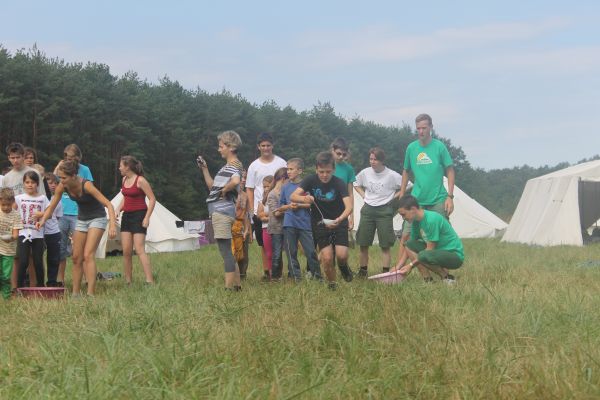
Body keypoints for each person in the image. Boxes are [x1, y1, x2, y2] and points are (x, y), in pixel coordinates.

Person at [37, 160, 117, 296]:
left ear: (73, 176)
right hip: (82, 219)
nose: (61, 181)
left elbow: (108, 204)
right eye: (60, 178)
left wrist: (113, 225)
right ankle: (75, 293)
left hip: (97, 218)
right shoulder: (63, 186)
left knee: (87, 255)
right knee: (76, 257)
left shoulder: (87, 185)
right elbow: (51, 207)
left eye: (63, 178)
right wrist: (42, 220)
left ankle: (90, 293)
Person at [397, 114, 455, 280]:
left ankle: (445, 276)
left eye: (424, 128)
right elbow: (406, 171)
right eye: (418, 128)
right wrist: (402, 193)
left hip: (438, 199)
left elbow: (450, 170)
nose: (421, 131)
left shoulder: (439, 147)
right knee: (406, 236)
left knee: (439, 237)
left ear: (431, 128)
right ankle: (413, 274)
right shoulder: (411, 148)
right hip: (417, 200)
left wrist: (450, 196)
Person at [290, 152, 353, 290]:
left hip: (339, 220)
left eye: (328, 172)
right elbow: (293, 196)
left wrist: (341, 219)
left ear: (333, 170)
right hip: (320, 223)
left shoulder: (339, 183)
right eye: (321, 172)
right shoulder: (310, 180)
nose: (324, 175)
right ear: (316, 169)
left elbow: (349, 206)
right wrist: (304, 199)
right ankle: (332, 285)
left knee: (341, 255)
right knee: (327, 258)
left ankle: (344, 267)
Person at [198, 130, 243, 291]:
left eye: (221, 146)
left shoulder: (234, 165)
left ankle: (228, 288)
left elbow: (236, 180)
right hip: (221, 211)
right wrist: (205, 169)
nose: (219, 149)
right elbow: (212, 188)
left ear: (231, 147)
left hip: (222, 212)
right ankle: (237, 286)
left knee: (225, 251)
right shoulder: (227, 167)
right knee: (227, 251)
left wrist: (225, 189)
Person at [353, 147, 403, 277]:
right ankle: (363, 271)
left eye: (375, 159)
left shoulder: (392, 175)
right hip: (368, 209)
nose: (372, 162)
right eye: (371, 159)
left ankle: (385, 273)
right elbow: (355, 183)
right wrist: (364, 195)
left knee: (385, 245)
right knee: (363, 243)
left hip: (384, 210)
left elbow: (407, 185)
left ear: (382, 160)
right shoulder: (365, 172)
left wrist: (393, 197)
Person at [394, 195, 464, 283]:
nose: (403, 218)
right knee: (409, 243)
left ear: (413, 209)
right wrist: (398, 267)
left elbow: (429, 249)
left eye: (403, 214)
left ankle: (447, 277)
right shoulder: (415, 222)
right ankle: (428, 280)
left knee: (423, 255)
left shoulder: (431, 219)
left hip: (454, 256)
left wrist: (410, 266)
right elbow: (409, 246)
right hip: (437, 253)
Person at [246, 133, 287, 278]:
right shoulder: (254, 166)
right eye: (263, 145)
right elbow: (249, 189)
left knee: (278, 243)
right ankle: (266, 272)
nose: (266, 148)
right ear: (258, 147)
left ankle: (278, 272)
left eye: (268, 145)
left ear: (272, 145)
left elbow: (287, 184)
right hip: (260, 209)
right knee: (263, 244)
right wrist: (252, 211)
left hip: (278, 208)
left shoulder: (281, 163)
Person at [54, 144, 94, 286]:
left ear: (78, 157)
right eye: (66, 157)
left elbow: (90, 189)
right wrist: (59, 166)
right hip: (62, 213)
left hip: (79, 213)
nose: (69, 160)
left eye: (72, 157)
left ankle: (85, 279)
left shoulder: (85, 170)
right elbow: (54, 181)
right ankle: (60, 279)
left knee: (79, 249)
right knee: (61, 248)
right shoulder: (62, 169)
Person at [114, 156, 156, 285]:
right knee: (126, 251)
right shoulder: (124, 179)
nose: (119, 168)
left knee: (139, 249)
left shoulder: (140, 181)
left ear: (127, 167)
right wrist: (117, 209)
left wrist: (146, 218)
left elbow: (152, 199)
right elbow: (125, 197)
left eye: (121, 165)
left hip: (139, 215)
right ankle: (128, 281)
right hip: (127, 216)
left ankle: (149, 280)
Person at [280, 158, 322, 282]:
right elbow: (281, 205)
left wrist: (299, 205)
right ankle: (296, 278)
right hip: (289, 223)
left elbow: (311, 204)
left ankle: (318, 277)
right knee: (291, 252)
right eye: (287, 169)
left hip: (305, 223)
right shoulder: (285, 187)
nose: (288, 172)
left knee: (311, 252)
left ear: (300, 171)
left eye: (291, 169)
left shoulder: (306, 186)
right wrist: (289, 206)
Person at [15, 172, 49, 287]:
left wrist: (42, 213)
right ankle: (19, 287)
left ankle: (41, 286)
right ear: (23, 184)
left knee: (38, 262)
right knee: (23, 261)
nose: (30, 185)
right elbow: (9, 211)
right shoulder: (18, 198)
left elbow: (50, 213)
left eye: (33, 182)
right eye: (27, 182)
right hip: (23, 234)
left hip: (38, 234)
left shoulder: (43, 198)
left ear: (37, 184)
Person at [266, 167, 288, 281]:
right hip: (276, 228)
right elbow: (277, 213)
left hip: (287, 226)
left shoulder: (286, 193)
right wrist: (289, 208)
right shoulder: (272, 195)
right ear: (284, 179)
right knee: (277, 253)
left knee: (289, 252)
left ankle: (285, 274)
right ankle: (275, 276)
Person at [0, 188, 22, 298]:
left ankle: (6, 296)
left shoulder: (16, 215)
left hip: (9, 250)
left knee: (5, 276)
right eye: (3, 205)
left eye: (8, 205)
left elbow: (16, 233)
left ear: (13, 201)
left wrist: (11, 238)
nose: (6, 207)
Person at [331, 137, 356, 232]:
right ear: (332, 150)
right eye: (338, 153)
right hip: (325, 206)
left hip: (342, 209)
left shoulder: (349, 169)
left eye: (344, 154)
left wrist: (351, 216)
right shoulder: (325, 165)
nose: (341, 156)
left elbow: (350, 194)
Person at [43, 173, 63, 286]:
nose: (53, 185)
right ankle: (37, 282)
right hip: (40, 231)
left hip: (54, 231)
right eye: (50, 183)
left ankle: (51, 282)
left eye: (56, 183)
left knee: (54, 259)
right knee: (37, 259)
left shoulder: (58, 199)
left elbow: (58, 217)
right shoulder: (40, 197)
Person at [231, 170, 251, 279]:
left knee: (244, 254)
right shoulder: (228, 193)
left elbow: (247, 214)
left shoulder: (245, 195)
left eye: (245, 178)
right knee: (232, 252)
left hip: (242, 225)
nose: (243, 180)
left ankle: (243, 276)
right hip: (231, 224)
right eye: (241, 177)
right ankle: (232, 275)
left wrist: (247, 229)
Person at [257, 176, 274, 281]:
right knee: (268, 253)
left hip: (277, 229)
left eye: (268, 186)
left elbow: (278, 212)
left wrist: (266, 215)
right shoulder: (262, 200)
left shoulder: (278, 196)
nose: (266, 188)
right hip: (265, 229)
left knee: (277, 253)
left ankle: (278, 274)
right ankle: (272, 276)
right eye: (264, 187)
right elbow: (260, 215)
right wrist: (271, 215)